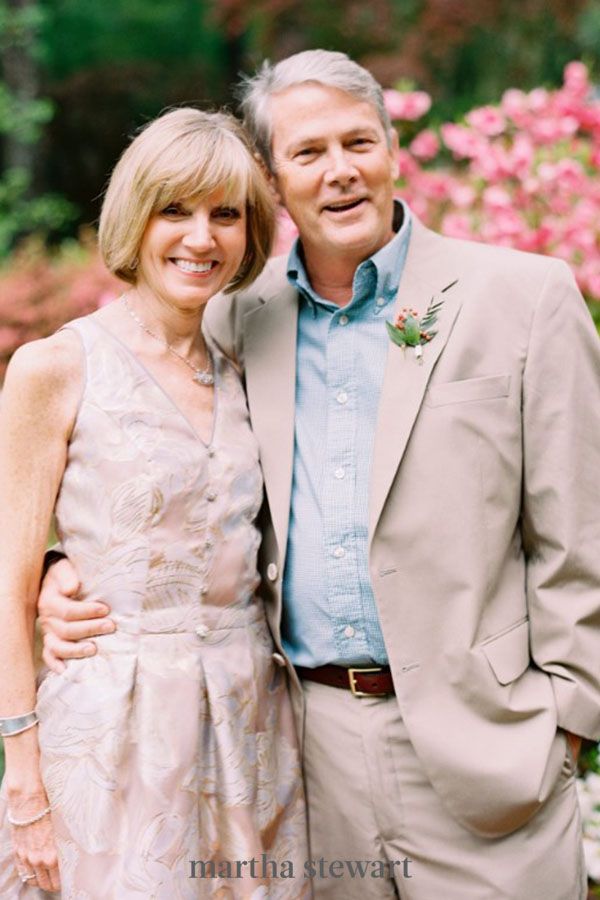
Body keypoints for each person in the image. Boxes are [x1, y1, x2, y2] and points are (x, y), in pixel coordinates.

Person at [39, 50, 600, 899]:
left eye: (358, 143)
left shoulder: (525, 298)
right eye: (308, 153)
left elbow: (582, 532)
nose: (339, 172)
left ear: (391, 149)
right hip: (304, 748)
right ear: (272, 178)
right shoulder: (235, 311)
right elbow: (165, 469)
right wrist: (59, 571)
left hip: (491, 751)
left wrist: (566, 724)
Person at [0, 107, 309, 898]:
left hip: (249, 731)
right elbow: (9, 582)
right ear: (135, 217)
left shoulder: (251, 367)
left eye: (225, 215)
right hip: (113, 732)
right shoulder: (57, 366)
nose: (200, 238)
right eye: (175, 210)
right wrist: (24, 776)